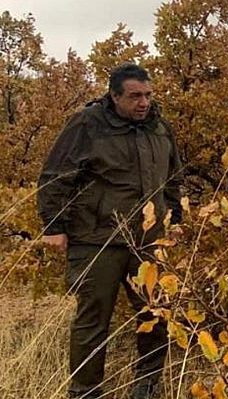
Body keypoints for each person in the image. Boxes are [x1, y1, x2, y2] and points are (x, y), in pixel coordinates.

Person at [38, 64, 183, 399]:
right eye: (135, 96)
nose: (144, 102)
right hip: (96, 240)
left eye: (148, 94)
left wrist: (174, 220)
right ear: (115, 96)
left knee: (155, 315)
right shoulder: (87, 124)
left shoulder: (160, 128)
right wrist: (54, 226)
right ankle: (85, 392)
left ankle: (145, 389)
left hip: (148, 241)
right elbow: (55, 175)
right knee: (92, 322)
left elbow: (173, 179)